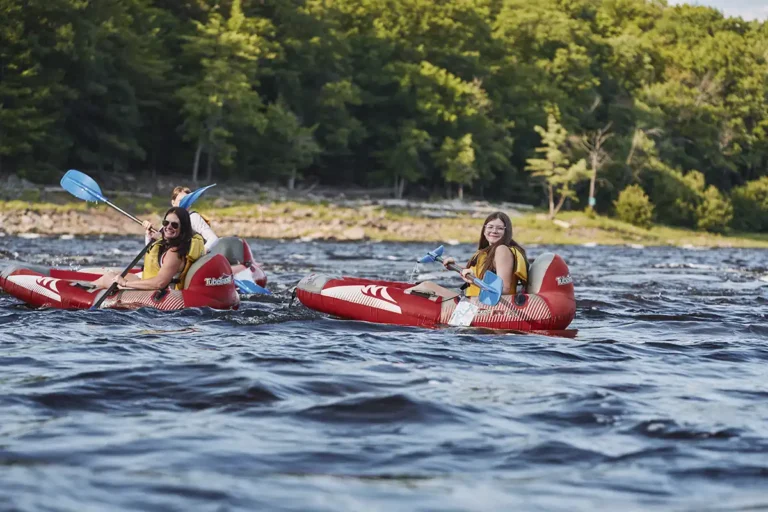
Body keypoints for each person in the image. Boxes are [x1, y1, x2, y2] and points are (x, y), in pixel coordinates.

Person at [96, 207, 205, 291]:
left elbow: (159, 283)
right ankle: (84, 287)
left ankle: (84, 289)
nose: (168, 227)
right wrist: (149, 236)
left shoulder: (174, 253)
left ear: (183, 228)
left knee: (108, 279)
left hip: (158, 293)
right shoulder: (176, 244)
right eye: (166, 223)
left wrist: (125, 283)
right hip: (152, 286)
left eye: (175, 225)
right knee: (112, 275)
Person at [441, 211, 529, 296]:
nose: (494, 231)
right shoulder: (486, 251)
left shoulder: (502, 250)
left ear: (507, 232)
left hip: (490, 307)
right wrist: (454, 266)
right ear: (484, 230)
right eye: (490, 227)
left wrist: (475, 281)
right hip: (474, 301)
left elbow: (504, 289)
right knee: (428, 287)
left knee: (428, 291)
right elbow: (478, 272)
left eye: (500, 228)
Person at [143, 186, 219, 251]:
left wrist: (200, 253)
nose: (185, 203)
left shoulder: (193, 218)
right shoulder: (168, 222)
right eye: (181, 201)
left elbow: (213, 239)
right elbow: (150, 251)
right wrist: (148, 235)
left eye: (188, 201)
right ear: (173, 202)